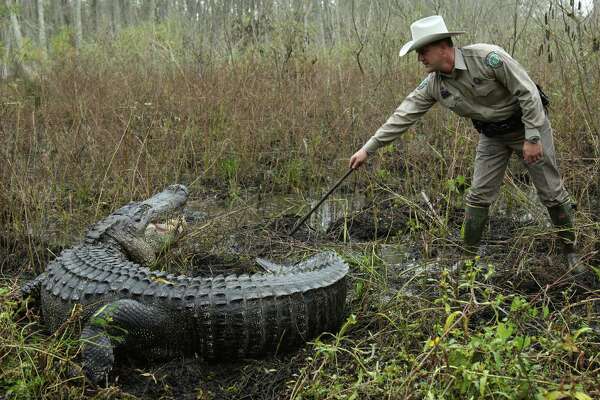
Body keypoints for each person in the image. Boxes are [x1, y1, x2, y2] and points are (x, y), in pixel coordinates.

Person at [349, 15, 580, 271]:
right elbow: (403, 115)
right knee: (478, 195)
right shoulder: (434, 85)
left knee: (550, 191)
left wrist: (533, 137)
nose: (420, 58)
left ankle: (572, 255)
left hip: (527, 125)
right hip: (492, 136)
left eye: (423, 51)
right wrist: (367, 149)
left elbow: (528, 93)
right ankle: (468, 260)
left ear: (443, 47)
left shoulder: (488, 58)